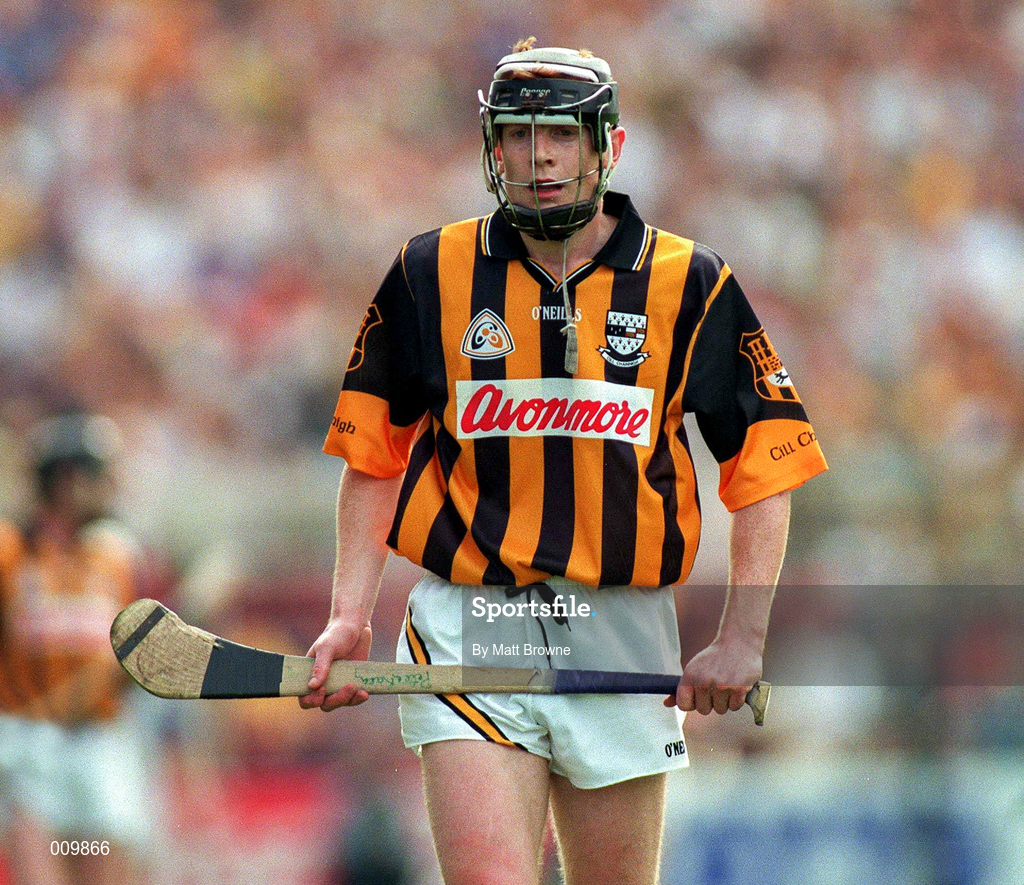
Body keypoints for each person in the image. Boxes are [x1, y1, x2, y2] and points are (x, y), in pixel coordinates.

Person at [302, 39, 827, 885]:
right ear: (491, 145)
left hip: (618, 630)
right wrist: (348, 612)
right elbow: (372, 454)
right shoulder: (428, 271)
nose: (537, 155)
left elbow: (769, 461)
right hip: (470, 621)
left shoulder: (689, 281)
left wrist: (743, 636)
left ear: (607, 145)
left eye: (561, 134)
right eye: (514, 133)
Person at [0, 414, 153, 885]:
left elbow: (139, 659)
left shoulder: (117, 554)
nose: (110, 487)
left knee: (105, 873)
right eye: (98, 476)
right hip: (29, 744)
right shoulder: (10, 551)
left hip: (101, 744)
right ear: (66, 480)